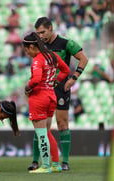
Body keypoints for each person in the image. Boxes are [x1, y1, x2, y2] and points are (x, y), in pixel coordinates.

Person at [28, 17, 88, 171]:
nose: (41, 36)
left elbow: (83, 58)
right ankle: (36, 161)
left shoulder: (65, 43)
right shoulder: (38, 45)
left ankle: (65, 161)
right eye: (38, 33)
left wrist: (74, 78)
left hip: (60, 87)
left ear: (51, 28)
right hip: (43, 88)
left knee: (62, 124)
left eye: (43, 32)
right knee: (40, 125)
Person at [23, 32, 70, 173]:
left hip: (39, 97)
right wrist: (55, 82)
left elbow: (36, 79)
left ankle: (45, 166)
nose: (27, 54)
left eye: (27, 50)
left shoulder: (38, 59)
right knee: (47, 132)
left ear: (32, 47)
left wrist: (27, 87)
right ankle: (55, 164)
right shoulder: (52, 55)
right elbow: (65, 70)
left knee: (41, 134)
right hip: (51, 95)